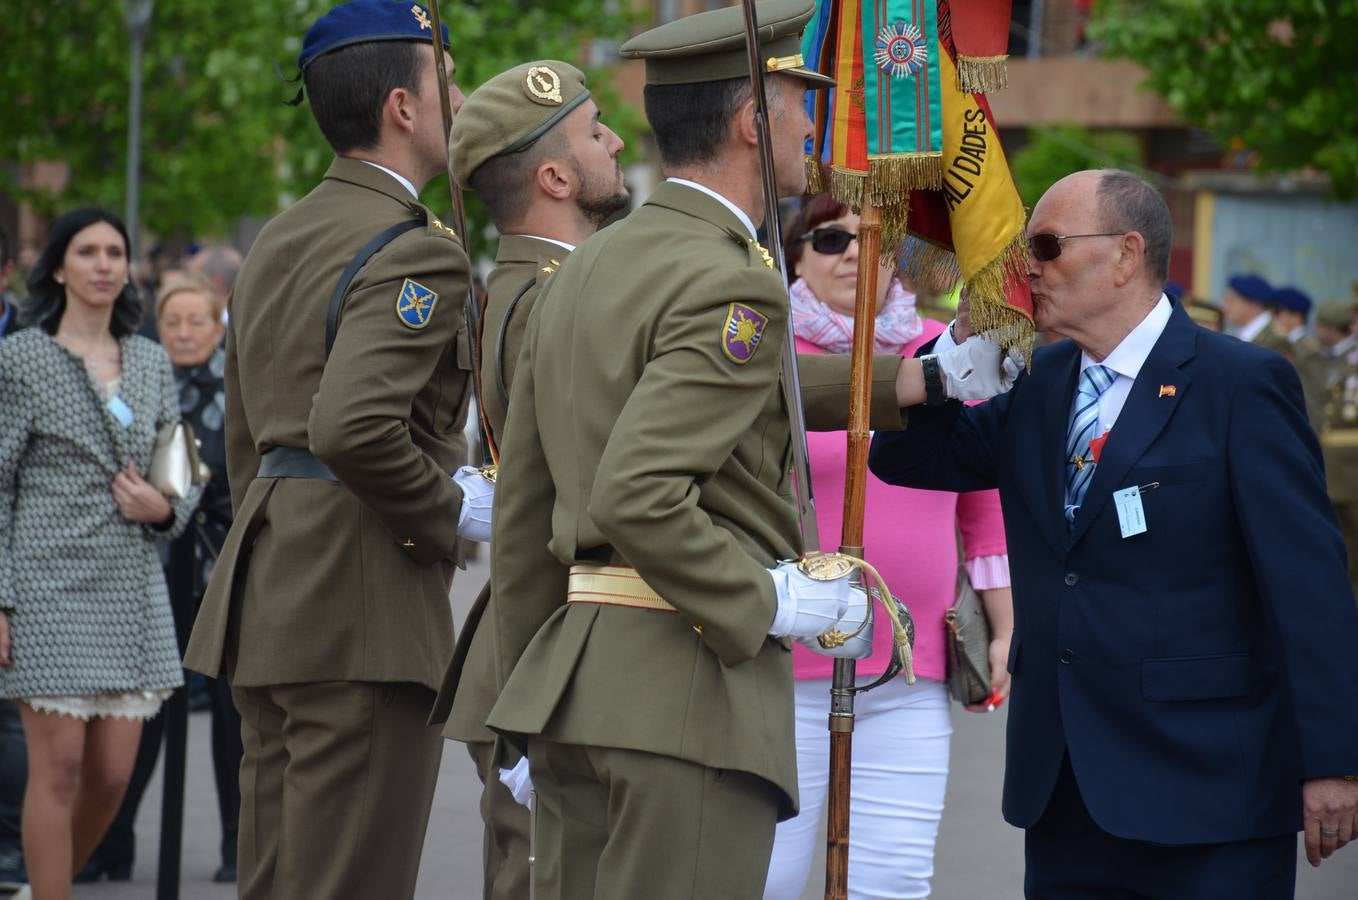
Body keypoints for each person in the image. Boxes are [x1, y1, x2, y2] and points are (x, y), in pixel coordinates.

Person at [483, 1, 1018, 896]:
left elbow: (524, 507)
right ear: (749, 121)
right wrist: (770, 600)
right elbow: (637, 495)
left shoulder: (588, 267)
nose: (811, 124)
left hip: (572, 688)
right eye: (798, 103)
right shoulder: (733, 279)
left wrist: (525, 693)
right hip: (683, 693)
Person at [870, 169, 1358, 898]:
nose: (1028, 267)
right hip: (1064, 786)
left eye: (1047, 245)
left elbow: (1307, 585)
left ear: (1127, 255)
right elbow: (905, 458)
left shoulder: (1240, 385)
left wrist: (1334, 760)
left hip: (1207, 788)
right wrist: (956, 353)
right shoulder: (1034, 378)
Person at [180, 3, 488, 899]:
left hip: (273, 592)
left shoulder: (278, 234)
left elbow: (250, 438)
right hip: (364, 611)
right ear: (402, 106)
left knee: (279, 879)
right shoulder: (415, 250)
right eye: (449, 80)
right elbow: (350, 427)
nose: (460, 99)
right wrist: (451, 510)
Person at [762, 195, 1014, 899]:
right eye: (830, 237)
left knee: (892, 881)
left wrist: (1005, 626)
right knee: (766, 877)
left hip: (913, 667)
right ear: (794, 255)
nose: (852, 252)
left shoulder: (942, 354)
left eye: (870, 239)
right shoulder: (760, 350)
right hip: (781, 663)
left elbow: (984, 502)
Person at [428, 59, 628, 900]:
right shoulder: (553, 297)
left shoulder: (528, 283)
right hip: (543, 643)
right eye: (593, 132)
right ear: (553, 176)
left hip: (531, 637)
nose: (615, 140)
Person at [0, 207, 201, 900]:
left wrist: (166, 507)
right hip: (46, 587)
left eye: (115, 251)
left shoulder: (148, 359)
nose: (104, 264)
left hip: (131, 591)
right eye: (87, 251)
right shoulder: (19, 359)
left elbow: (181, 462)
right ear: (59, 266)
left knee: (111, 780)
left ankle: (37, 889)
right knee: (53, 775)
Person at [82, 272, 242, 884]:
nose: (182, 332)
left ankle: (236, 844)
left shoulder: (239, 382)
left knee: (230, 719)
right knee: (139, 713)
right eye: (171, 322)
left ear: (216, 325)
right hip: (148, 568)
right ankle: (111, 842)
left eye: (194, 321)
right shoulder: (142, 385)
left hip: (220, 564)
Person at [1220, 272, 1289, 354]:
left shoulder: (1276, 341)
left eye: (1231, 301)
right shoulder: (1242, 334)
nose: (1223, 307)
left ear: (1253, 304)